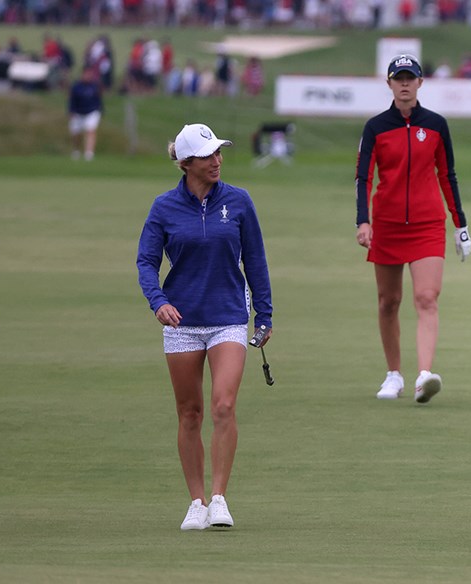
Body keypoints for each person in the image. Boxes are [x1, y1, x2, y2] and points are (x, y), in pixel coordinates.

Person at [136, 123, 273, 531]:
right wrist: (158, 301)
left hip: (229, 316)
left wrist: (264, 314)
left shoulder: (239, 201)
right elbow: (146, 262)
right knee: (190, 413)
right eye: (208, 155)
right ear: (186, 163)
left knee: (223, 405)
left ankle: (218, 499)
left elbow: (256, 260)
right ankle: (195, 501)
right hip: (182, 321)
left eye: (218, 153)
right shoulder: (164, 207)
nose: (217, 161)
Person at [355, 54, 471, 403]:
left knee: (426, 297)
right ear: (389, 84)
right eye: (398, 78)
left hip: (427, 224)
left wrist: (460, 223)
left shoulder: (436, 125)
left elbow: (447, 175)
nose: (404, 84)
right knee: (388, 301)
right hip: (388, 226)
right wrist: (364, 220)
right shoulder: (376, 127)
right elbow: (364, 176)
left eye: (410, 78)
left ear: (420, 83)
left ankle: (424, 376)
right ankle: (394, 375)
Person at [68, 67, 103, 161]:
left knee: (90, 130)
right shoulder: (77, 87)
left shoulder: (94, 86)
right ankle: (76, 150)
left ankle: (89, 153)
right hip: (78, 113)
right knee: (76, 133)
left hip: (92, 111)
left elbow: (98, 99)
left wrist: (100, 110)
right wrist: (71, 111)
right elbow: (72, 100)